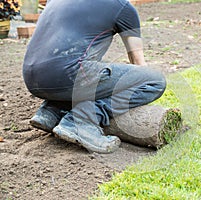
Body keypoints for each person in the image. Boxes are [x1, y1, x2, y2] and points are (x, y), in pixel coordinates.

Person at [22, 0, 166, 153]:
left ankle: (52, 109)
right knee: (154, 81)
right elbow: (138, 63)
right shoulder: (123, 8)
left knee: (89, 66)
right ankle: (83, 120)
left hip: (32, 77)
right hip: (68, 75)